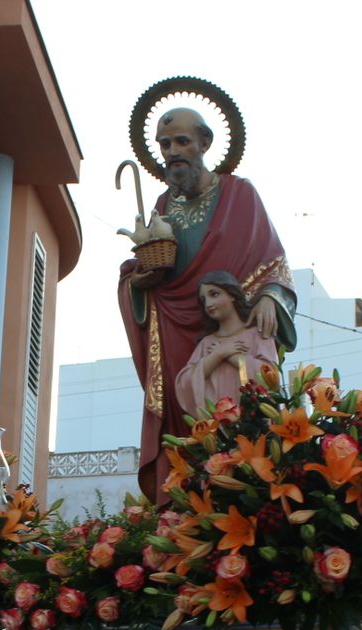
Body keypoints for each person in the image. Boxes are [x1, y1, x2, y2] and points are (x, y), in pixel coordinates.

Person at [118, 106, 294, 498]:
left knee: (237, 419)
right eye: (165, 144)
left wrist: (269, 295)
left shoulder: (240, 194)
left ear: (205, 143)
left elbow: (274, 261)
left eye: (181, 141)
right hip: (174, 328)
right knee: (184, 420)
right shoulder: (163, 206)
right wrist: (138, 281)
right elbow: (142, 266)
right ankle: (184, 504)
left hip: (233, 327)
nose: (172, 151)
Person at [172, 270, 278, 413]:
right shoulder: (207, 343)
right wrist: (218, 354)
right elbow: (186, 384)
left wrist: (231, 356)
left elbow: (270, 377)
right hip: (219, 427)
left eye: (214, 294)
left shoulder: (258, 334)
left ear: (232, 295)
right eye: (204, 300)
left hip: (255, 424)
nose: (208, 304)